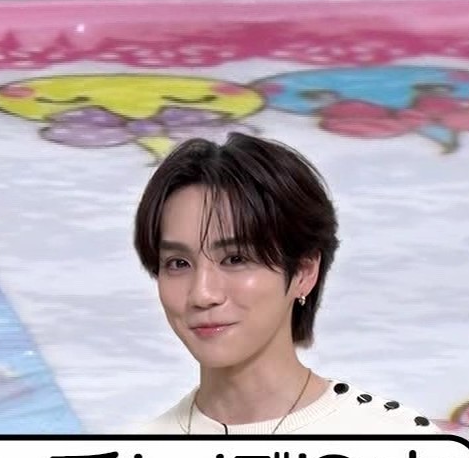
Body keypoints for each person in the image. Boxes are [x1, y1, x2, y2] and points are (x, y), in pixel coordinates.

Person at [133, 133, 436, 435]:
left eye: (235, 259)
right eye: (178, 263)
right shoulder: (133, 455)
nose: (202, 294)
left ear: (304, 271)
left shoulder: (399, 444)